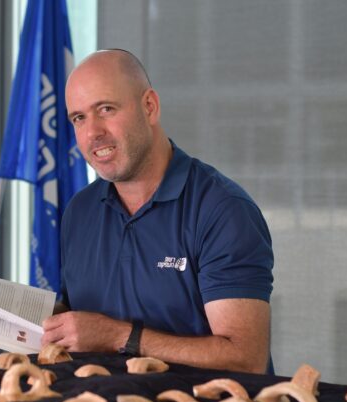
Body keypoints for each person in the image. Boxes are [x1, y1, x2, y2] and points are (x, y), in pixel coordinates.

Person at [41, 49, 274, 374]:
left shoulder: (223, 210)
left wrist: (118, 337)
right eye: (79, 118)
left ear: (149, 107)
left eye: (105, 109)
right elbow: (80, 315)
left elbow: (245, 358)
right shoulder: (79, 211)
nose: (92, 132)